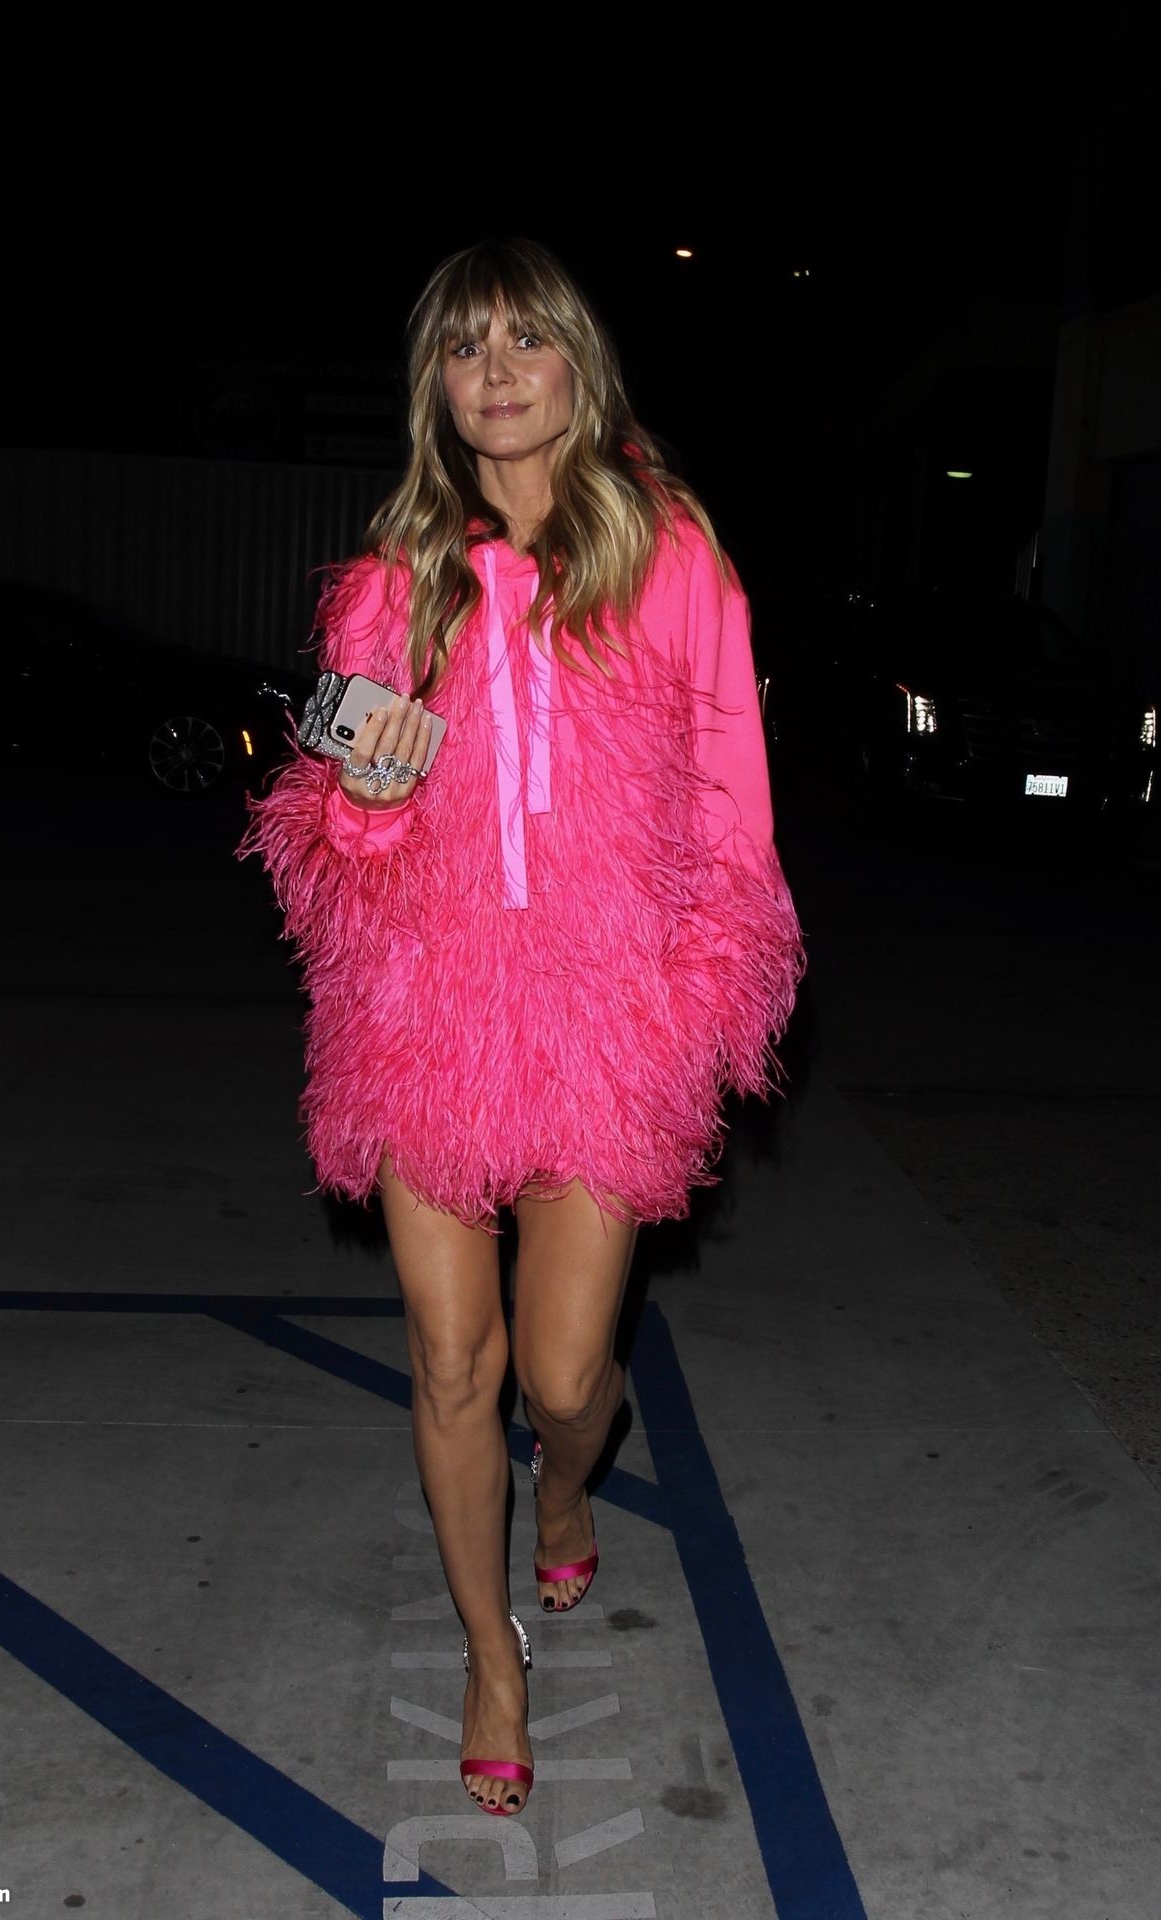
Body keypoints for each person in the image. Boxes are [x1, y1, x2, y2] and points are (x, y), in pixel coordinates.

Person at [242, 239, 806, 1817]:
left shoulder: (668, 558)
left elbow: (732, 811)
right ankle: (491, 1655)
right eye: (461, 347)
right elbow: (329, 836)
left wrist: (699, 995)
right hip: (423, 1008)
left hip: (606, 1009)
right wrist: (363, 802)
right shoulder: (386, 585)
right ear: (434, 386)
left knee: (561, 1379)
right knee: (449, 1360)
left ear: (578, 366)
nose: (494, 373)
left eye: (523, 340)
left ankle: (566, 1489)